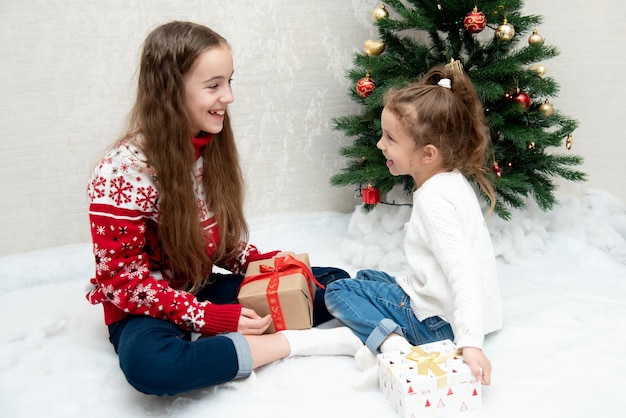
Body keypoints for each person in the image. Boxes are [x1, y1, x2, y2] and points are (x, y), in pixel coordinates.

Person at [85, 21, 362, 396]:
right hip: (145, 309)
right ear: (170, 92)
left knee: (330, 282)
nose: (228, 97)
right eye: (214, 85)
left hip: (199, 286)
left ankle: (221, 348)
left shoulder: (205, 147)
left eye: (229, 82)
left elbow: (211, 239)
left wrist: (266, 265)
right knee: (152, 365)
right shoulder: (120, 171)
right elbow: (123, 283)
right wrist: (213, 318)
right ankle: (293, 345)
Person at [324, 64, 502, 390]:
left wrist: (470, 344)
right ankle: (390, 328)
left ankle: (395, 347)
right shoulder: (452, 181)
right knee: (367, 278)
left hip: (440, 326)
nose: (380, 145)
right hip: (456, 313)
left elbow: (464, 275)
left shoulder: (434, 201)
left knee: (339, 290)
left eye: (390, 138)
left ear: (428, 153)